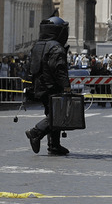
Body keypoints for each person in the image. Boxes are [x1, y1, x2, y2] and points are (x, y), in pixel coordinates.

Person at [25, 16, 72, 156]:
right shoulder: (56, 47)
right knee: (58, 114)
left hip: (40, 86)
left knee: (51, 113)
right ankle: (36, 132)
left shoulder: (37, 45)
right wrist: (66, 86)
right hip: (53, 86)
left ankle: (54, 145)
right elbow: (59, 69)